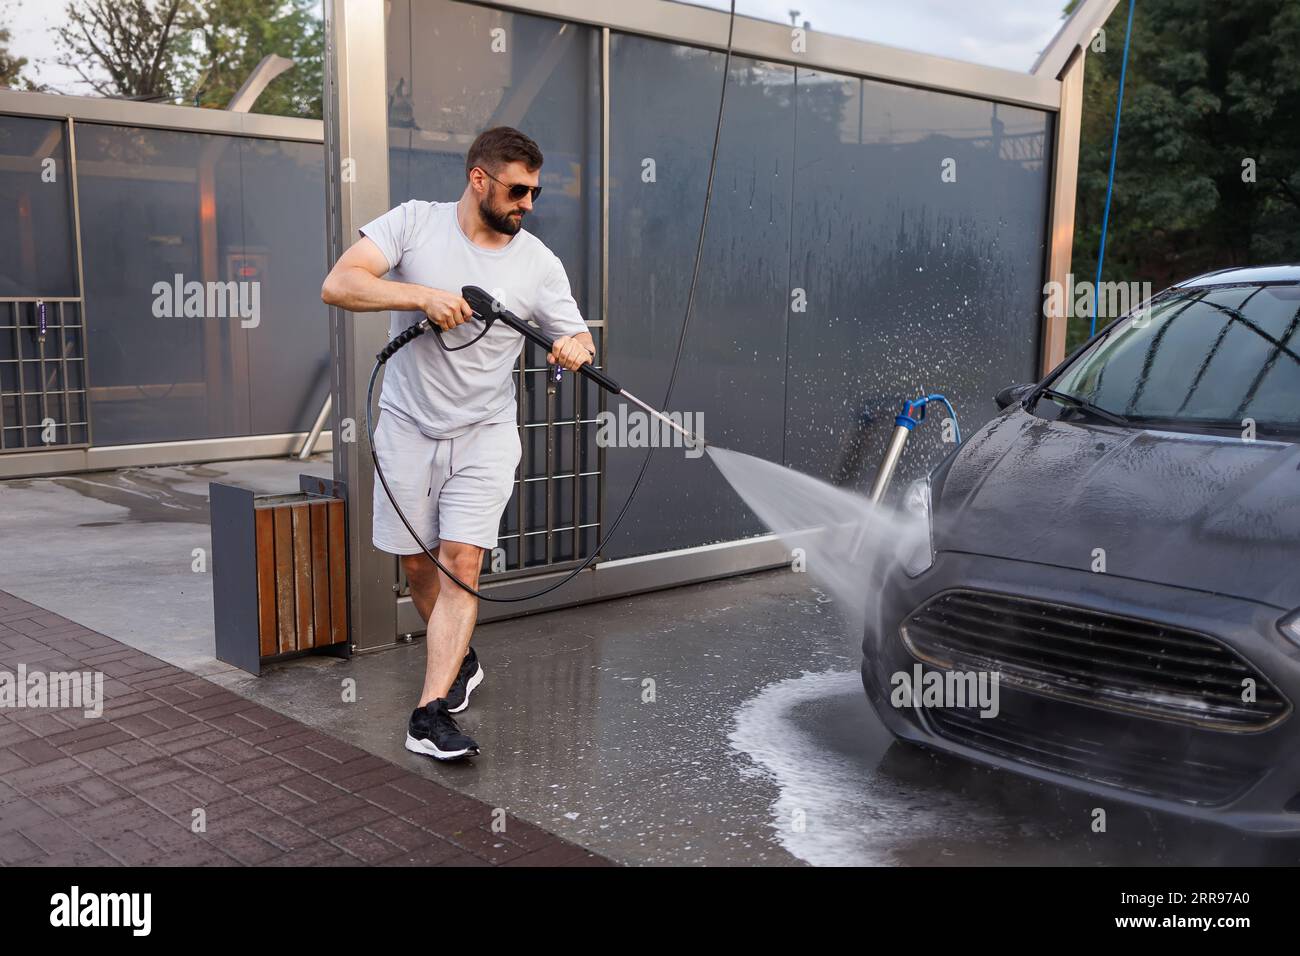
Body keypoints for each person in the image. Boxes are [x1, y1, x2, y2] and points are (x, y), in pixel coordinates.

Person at [320, 126, 595, 761]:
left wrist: (574, 349)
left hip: (486, 434)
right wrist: (423, 295)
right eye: (518, 189)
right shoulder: (415, 224)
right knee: (418, 565)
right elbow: (340, 283)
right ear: (479, 179)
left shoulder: (538, 262)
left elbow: (576, 338)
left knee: (461, 563)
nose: (528, 203)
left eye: (535, 192)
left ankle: (429, 713)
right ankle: (461, 658)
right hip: (408, 427)